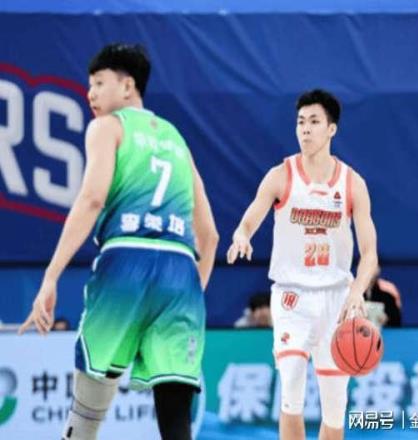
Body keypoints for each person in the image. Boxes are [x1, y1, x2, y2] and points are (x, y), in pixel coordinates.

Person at [19, 43, 219, 440]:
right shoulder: (177, 140)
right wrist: (190, 292)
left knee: (87, 412)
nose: (90, 93)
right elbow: (210, 236)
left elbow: (92, 199)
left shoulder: (107, 127)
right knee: (176, 422)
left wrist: (51, 276)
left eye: (98, 83)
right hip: (181, 270)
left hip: (127, 259)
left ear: (128, 86)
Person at [227, 89, 378, 440]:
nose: (305, 129)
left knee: (334, 408)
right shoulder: (281, 175)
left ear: (331, 129)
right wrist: (242, 235)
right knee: (292, 385)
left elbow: (370, 253)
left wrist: (357, 292)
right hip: (292, 296)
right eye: (300, 122)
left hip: (337, 298)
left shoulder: (353, 183)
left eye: (313, 122)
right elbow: (249, 220)